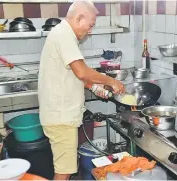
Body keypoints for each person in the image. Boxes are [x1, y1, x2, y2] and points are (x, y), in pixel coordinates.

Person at [38, 1, 125, 180]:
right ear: (79, 18)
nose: (90, 30)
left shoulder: (63, 34)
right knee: (64, 171)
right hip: (61, 117)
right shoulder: (64, 35)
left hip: (61, 115)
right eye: (90, 25)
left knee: (66, 166)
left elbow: (72, 74)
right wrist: (111, 81)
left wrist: (93, 86)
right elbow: (81, 71)